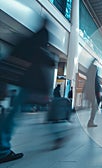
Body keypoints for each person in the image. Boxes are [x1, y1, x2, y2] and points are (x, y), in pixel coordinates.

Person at [0, 20, 56, 163]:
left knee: (9, 116)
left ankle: (3, 148)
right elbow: (46, 65)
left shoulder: (24, 42)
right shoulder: (39, 48)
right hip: (20, 85)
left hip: (11, 82)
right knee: (10, 118)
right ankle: (3, 150)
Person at [84, 62, 102, 127]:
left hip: (89, 91)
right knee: (95, 107)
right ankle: (91, 121)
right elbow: (96, 84)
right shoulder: (94, 76)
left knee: (94, 106)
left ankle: (91, 121)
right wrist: (99, 91)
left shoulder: (89, 76)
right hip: (93, 92)